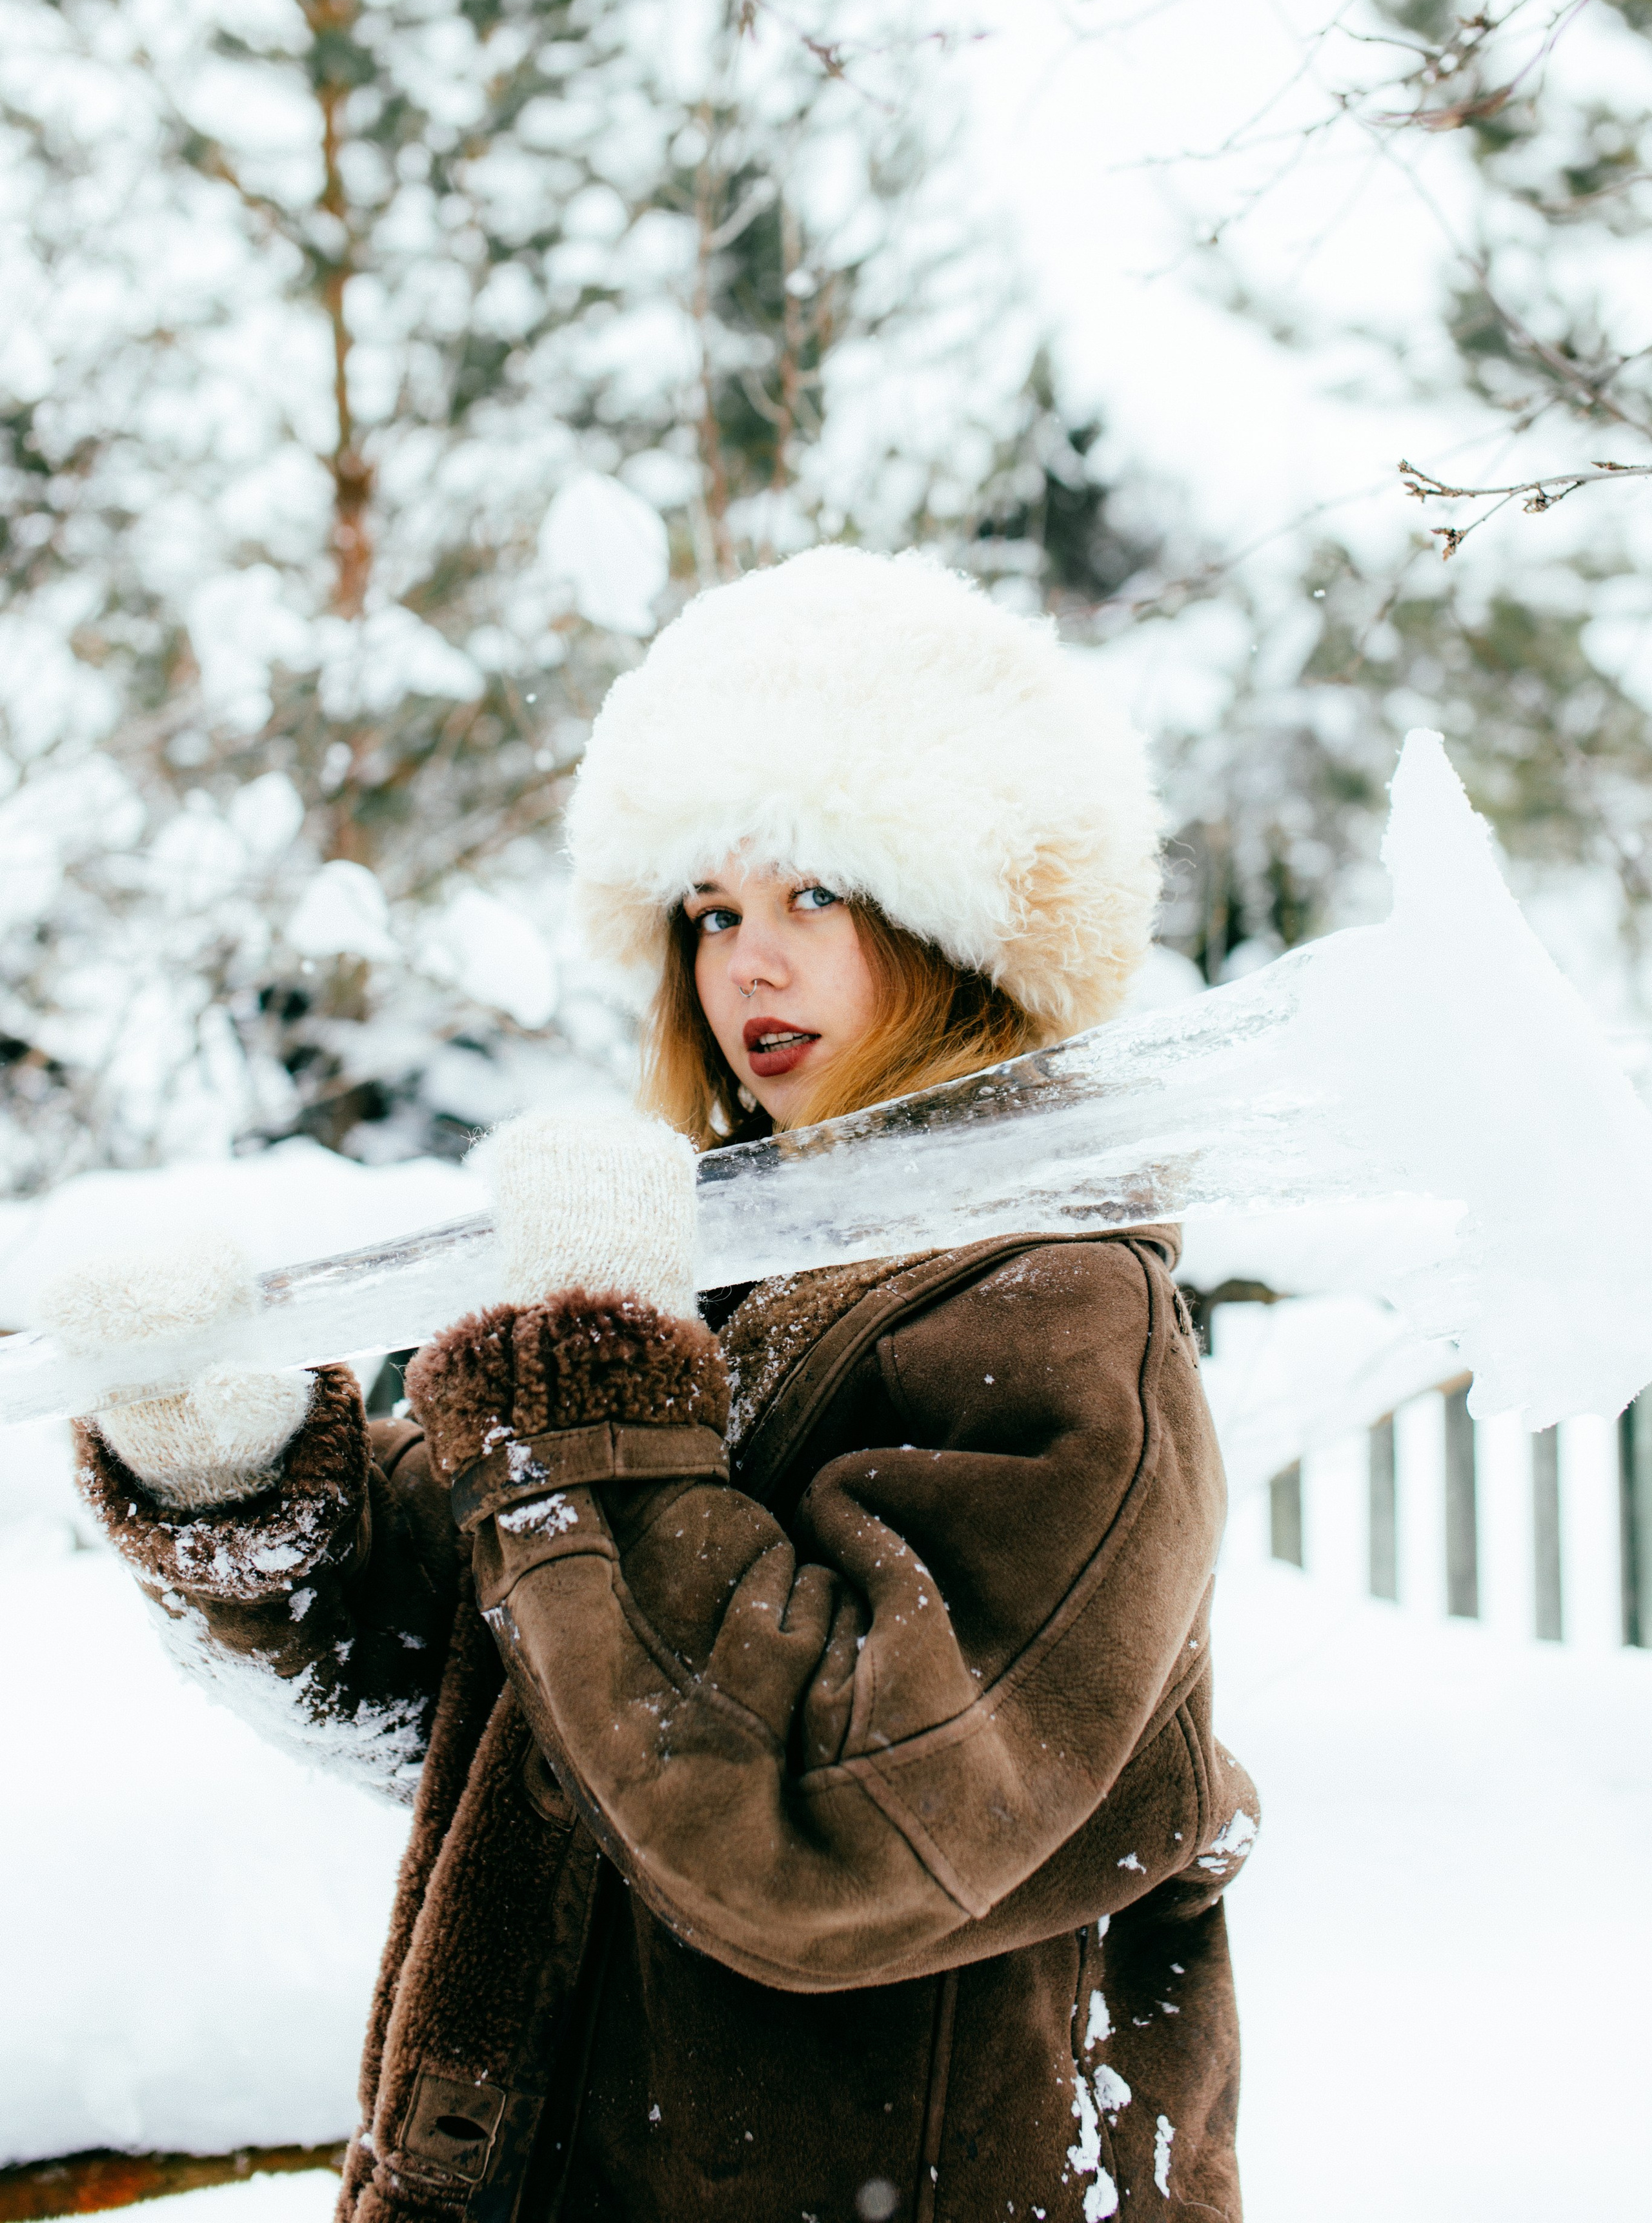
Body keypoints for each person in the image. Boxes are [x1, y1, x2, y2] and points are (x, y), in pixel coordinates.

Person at [52, 549, 1258, 2223]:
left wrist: (599, 1411)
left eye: (810, 896)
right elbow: (529, 1682)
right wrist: (252, 1480)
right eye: (710, 914)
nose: (746, 966)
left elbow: (831, 1814)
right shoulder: (749, 1264)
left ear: (966, 918)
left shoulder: (1060, 1308)